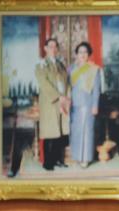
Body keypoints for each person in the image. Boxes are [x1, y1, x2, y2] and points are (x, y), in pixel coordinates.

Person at [34, 37, 70, 171]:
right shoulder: (41, 65)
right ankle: (48, 163)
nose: (53, 49)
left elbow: (67, 82)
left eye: (55, 47)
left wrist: (66, 97)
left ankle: (59, 159)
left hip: (62, 101)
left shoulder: (61, 65)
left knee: (60, 132)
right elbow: (44, 83)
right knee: (50, 132)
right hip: (50, 102)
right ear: (45, 48)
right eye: (50, 46)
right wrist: (58, 97)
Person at [69, 41, 101, 168]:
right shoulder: (71, 69)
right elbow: (67, 87)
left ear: (89, 54)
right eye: (80, 52)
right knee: (76, 131)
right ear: (76, 54)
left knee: (87, 132)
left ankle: (86, 158)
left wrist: (95, 105)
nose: (82, 54)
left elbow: (97, 89)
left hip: (88, 105)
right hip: (74, 105)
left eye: (85, 52)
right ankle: (77, 156)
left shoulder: (94, 69)